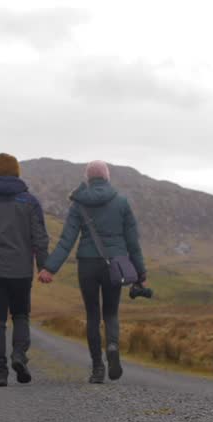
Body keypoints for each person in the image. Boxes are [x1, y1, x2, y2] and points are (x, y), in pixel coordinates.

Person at [38, 160, 147, 384]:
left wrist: (50, 268)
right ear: (107, 177)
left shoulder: (79, 204)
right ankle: (113, 346)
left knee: (92, 315)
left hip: (87, 264)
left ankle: (98, 368)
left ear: (88, 179)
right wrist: (140, 271)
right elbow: (132, 242)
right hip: (115, 265)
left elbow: (67, 239)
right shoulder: (121, 202)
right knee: (111, 312)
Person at [0, 153, 50, 387]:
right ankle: (19, 355)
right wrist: (43, 265)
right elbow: (40, 237)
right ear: (17, 172)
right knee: (21, 316)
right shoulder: (30, 202)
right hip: (21, 271)